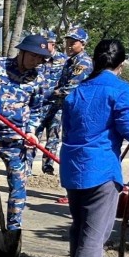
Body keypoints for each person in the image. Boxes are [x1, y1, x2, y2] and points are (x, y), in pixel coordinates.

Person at [59, 39, 129, 257]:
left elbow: (67, 129)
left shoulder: (77, 91)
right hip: (101, 166)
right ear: (122, 64)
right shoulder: (122, 90)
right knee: (95, 232)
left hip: (73, 164)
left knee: (80, 225)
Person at [0, 34, 53, 231]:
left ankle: (13, 229)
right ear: (21, 52)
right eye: (33, 56)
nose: (36, 61)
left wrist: (31, 132)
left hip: (17, 140)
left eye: (41, 58)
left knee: (18, 185)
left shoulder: (38, 79)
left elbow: (37, 109)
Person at [41, 28, 93, 183]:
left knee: (73, 145)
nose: (69, 46)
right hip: (63, 108)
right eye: (67, 43)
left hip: (78, 110)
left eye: (73, 43)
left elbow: (71, 88)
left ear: (83, 44)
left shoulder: (82, 62)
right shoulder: (71, 61)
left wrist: (50, 93)